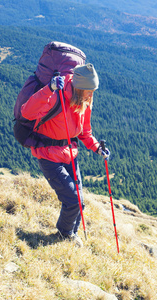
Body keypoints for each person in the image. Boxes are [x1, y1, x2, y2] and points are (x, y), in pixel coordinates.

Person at [20, 63, 110, 247]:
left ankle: (71, 234)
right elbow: (26, 112)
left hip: (70, 154)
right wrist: (49, 89)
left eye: (93, 91)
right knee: (73, 200)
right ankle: (65, 235)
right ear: (78, 87)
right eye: (88, 91)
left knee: (80, 202)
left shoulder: (84, 102)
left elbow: (84, 132)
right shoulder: (55, 95)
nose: (91, 95)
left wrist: (97, 148)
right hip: (49, 156)